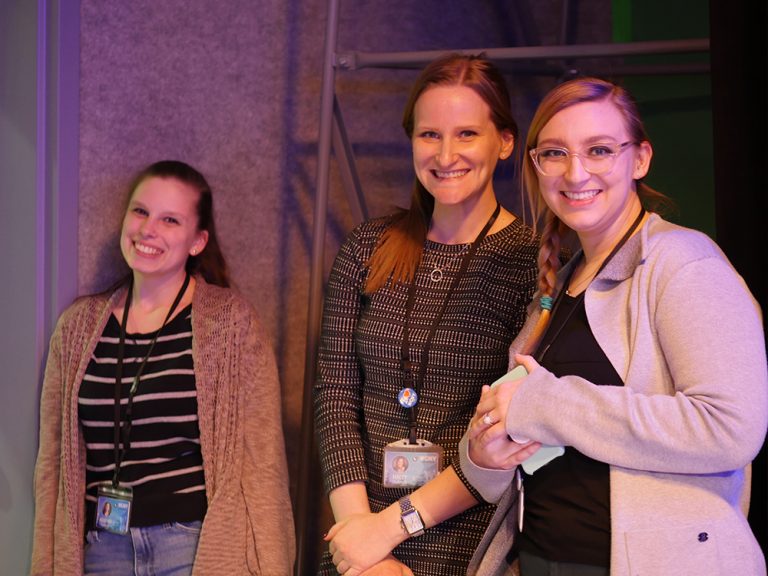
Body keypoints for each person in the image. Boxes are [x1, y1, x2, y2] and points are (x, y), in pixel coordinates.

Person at [460, 77, 768, 576]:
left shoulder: (684, 263)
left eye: (599, 150)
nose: (575, 172)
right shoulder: (559, 282)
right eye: (555, 153)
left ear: (640, 159)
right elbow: (527, 444)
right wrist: (484, 455)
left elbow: (729, 429)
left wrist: (546, 405)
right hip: (541, 560)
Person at [314, 54, 540, 576]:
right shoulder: (368, 246)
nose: (445, 154)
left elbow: (507, 436)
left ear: (505, 141)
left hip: (467, 545)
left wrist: (389, 530)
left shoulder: (531, 263)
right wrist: (364, 544)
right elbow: (336, 395)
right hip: (358, 547)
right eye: (429, 134)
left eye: (467, 134)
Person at [31, 160, 295, 575]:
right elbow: (52, 466)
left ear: (197, 241)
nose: (148, 229)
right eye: (140, 211)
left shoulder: (231, 323)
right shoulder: (77, 326)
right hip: (102, 550)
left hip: (192, 548)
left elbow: (263, 464)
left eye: (170, 220)